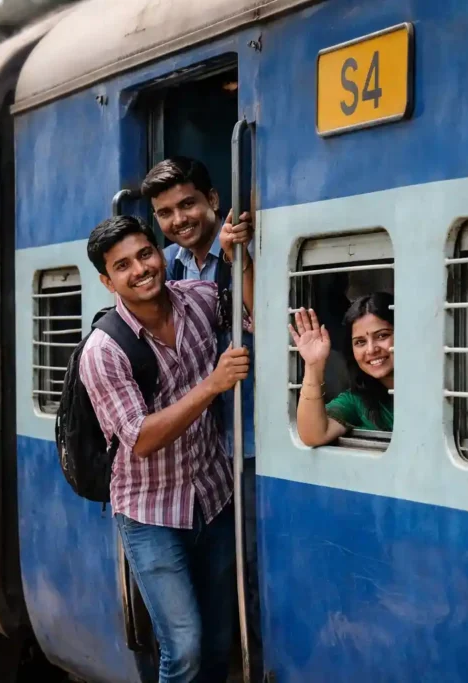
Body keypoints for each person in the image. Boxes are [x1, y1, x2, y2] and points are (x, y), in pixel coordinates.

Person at [79, 214, 252, 683]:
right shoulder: (104, 350)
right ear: (106, 280)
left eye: (145, 254)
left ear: (161, 254)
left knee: (219, 642)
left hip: (213, 498)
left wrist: (240, 257)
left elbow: (253, 314)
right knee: (185, 646)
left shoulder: (196, 299)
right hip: (150, 513)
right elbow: (139, 438)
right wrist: (212, 385)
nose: (140, 269)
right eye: (123, 265)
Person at [142, 156, 264, 676]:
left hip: (250, 437)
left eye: (188, 204)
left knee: (251, 581)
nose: (179, 219)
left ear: (213, 200)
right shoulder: (165, 266)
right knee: (204, 607)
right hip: (200, 451)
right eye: (166, 212)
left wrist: (241, 262)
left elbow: (265, 325)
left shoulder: (242, 246)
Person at [290, 292, 395, 446]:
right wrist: (313, 366)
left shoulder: (434, 389)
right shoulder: (357, 401)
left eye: (382, 336)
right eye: (360, 342)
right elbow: (313, 435)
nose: (371, 350)